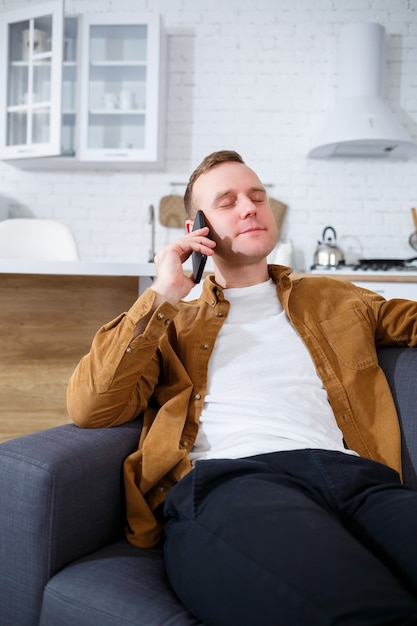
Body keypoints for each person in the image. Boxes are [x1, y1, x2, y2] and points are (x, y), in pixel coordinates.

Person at [68, 150, 417, 625]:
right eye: (228, 201)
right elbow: (91, 406)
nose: (250, 207)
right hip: (236, 483)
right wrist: (163, 293)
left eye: (257, 197)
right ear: (198, 227)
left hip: (358, 480)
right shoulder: (172, 321)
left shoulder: (337, 296)